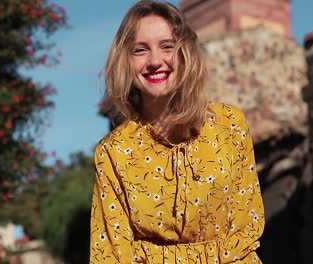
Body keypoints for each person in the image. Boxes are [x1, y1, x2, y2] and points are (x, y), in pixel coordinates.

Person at [90, 1, 265, 263]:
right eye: (140, 50)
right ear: (125, 61)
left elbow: (247, 230)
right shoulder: (113, 153)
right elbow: (110, 255)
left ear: (186, 53)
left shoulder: (229, 125)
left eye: (167, 46)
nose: (155, 61)